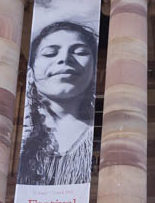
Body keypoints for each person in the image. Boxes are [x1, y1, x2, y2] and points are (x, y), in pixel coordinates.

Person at [17, 22, 97, 185]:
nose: (64, 59)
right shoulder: (23, 138)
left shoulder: (93, 136)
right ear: (30, 74)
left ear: (94, 70)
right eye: (50, 53)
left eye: (80, 52)